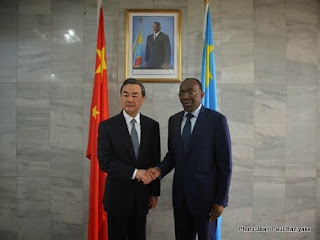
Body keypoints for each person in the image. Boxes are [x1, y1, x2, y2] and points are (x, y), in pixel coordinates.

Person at [146, 78, 232, 240]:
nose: (185, 96)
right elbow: (173, 155)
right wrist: (158, 170)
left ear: (201, 94)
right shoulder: (174, 120)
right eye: (182, 93)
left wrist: (220, 200)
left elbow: (225, 165)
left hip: (207, 201)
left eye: (190, 92)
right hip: (181, 198)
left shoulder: (216, 121)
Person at [97, 78, 160, 240]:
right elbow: (105, 160)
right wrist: (135, 173)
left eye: (134, 95)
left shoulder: (152, 126)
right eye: (125, 95)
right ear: (120, 97)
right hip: (117, 197)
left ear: (143, 99)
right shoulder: (107, 126)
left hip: (142, 197)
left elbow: (155, 160)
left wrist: (154, 192)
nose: (129, 99)